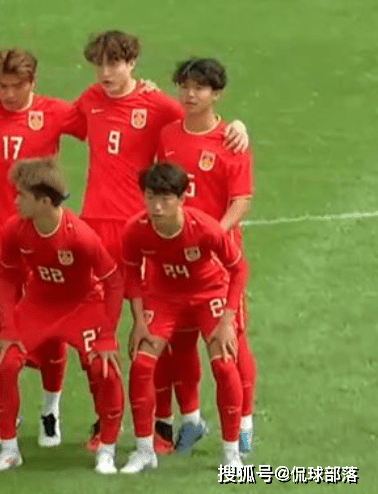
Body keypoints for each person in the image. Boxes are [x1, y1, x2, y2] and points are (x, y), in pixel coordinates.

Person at [70, 29, 249, 453]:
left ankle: (178, 427)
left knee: (167, 333)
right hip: (101, 230)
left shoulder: (159, 106)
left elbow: (201, 119)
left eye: (115, 63)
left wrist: (238, 128)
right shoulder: (90, 100)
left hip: (152, 235)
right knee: (95, 330)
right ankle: (107, 420)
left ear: (132, 64)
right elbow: (45, 116)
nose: (106, 72)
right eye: (99, 64)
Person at [0, 48, 87, 446]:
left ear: (33, 83)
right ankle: (5, 415)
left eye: (17, 86)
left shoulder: (56, 112)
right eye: (2, 85)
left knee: (51, 324)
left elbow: (104, 123)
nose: (9, 94)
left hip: (44, 235)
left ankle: (50, 409)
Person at [0, 158, 123, 473]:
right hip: (39, 303)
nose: (15, 201)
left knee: (105, 370)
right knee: (5, 363)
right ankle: (9, 449)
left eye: (22, 195)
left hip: (82, 305)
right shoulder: (15, 230)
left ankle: (107, 449)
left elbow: (114, 280)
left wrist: (107, 336)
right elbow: (6, 277)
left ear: (44, 202)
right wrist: (8, 328)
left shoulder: (80, 236)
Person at [156, 57, 255, 455]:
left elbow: (241, 201)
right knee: (179, 343)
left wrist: (215, 235)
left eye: (199, 88)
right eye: (184, 86)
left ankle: (244, 423)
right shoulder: (167, 135)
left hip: (219, 259)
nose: (190, 94)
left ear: (217, 94)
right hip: (175, 259)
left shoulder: (231, 141)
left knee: (231, 343)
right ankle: (192, 420)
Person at [120, 163, 247, 473]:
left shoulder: (204, 228)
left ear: (181, 199)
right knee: (141, 365)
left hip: (208, 293)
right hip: (164, 297)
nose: (157, 207)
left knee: (224, 364)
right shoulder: (135, 230)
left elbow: (238, 268)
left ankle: (232, 454)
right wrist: (139, 321)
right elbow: (131, 274)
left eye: (165, 199)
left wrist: (227, 321)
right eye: (151, 197)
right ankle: (144, 450)